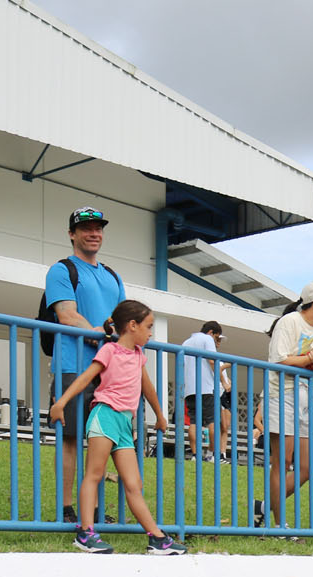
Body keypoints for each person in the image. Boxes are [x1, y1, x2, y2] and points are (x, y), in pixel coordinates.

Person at [49, 300, 185, 555]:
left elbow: (148, 388)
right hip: (105, 416)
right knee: (94, 474)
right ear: (132, 325)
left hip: (124, 423)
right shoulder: (110, 350)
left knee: (134, 483)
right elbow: (86, 378)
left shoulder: (138, 355)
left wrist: (160, 415)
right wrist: (61, 403)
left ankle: (156, 538)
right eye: (148, 326)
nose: (151, 333)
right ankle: (85, 533)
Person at [46, 206, 127, 522]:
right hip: (73, 364)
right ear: (72, 234)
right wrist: (98, 333)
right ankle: (67, 508)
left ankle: (91, 508)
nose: (94, 233)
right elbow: (66, 314)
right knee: (70, 438)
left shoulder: (112, 275)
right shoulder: (61, 270)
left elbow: (122, 318)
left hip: (107, 371)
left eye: (98, 228)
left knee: (100, 439)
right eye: (86, 228)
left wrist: (113, 332)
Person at [256, 281, 313, 531]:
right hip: (282, 394)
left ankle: (264, 508)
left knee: (309, 467)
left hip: (308, 398)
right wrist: (311, 359)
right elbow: (279, 360)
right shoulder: (289, 322)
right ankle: (279, 525)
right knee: (283, 461)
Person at [179, 320, 223, 463]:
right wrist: (222, 379)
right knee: (213, 421)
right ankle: (213, 454)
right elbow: (212, 361)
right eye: (217, 337)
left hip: (190, 388)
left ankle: (195, 454)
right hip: (206, 387)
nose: (216, 341)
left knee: (194, 422)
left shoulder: (186, 342)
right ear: (211, 332)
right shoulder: (207, 339)